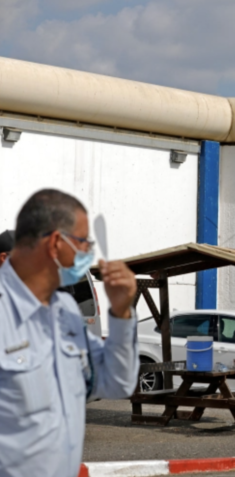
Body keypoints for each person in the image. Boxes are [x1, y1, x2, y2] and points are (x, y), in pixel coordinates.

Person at [0, 189, 139, 477]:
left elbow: (117, 384)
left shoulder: (65, 310)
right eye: (84, 241)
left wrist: (122, 314)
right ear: (55, 243)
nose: (88, 251)